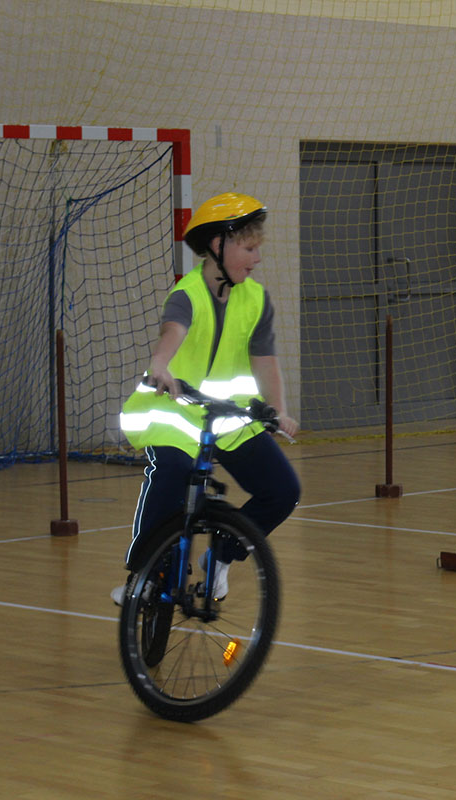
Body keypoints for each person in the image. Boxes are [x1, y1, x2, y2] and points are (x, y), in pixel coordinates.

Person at [114, 192, 300, 604]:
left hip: (228, 418)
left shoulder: (256, 299)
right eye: (248, 249)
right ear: (218, 245)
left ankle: (220, 557)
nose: (256, 258)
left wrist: (278, 409)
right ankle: (144, 576)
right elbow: (173, 332)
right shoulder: (188, 295)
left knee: (282, 490)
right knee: (172, 475)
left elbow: (264, 359)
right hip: (174, 416)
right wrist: (159, 365)